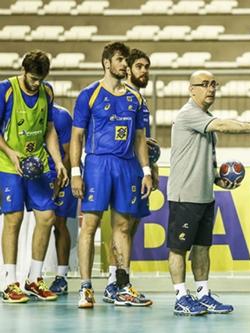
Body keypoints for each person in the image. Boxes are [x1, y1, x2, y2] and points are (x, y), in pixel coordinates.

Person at [167, 70, 250, 316]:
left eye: (214, 84)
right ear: (191, 89)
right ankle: (181, 296)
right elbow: (224, 125)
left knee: (202, 247)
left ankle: (203, 294)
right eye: (204, 84)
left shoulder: (205, 118)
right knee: (178, 248)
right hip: (185, 195)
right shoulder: (189, 114)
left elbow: (206, 160)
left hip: (205, 196)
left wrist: (218, 179)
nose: (210, 89)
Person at [70, 42, 153, 308]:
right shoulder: (89, 95)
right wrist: (75, 172)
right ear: (107, 63)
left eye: (125, 61)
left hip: (127, 166)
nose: (124, 65)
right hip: (97, 164)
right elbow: (77, 137)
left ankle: (121, 285)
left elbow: (140, 138)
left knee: (123, 227)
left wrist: (146, 171)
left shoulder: (135, 98)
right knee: (90, 225)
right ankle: (85, 288)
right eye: (120, 60)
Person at [0, 50, 68, 303]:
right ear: (23, 70)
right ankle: (9, 282)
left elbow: (49, 129)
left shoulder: (47, 91)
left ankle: (34, 279)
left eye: (40, 79)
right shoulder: (5, 91)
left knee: (47, 217)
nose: (36, 83)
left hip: (38, 164)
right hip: (9, 165)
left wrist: (59, 161)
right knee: (14, 219)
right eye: (32, 78)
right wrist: (11, 153)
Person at [103, 48, 158, 304]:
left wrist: (150, 167)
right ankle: (115, 283)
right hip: (124, 170)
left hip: (138, 171)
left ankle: (117, 280)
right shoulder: (122, 97)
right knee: (122, 227)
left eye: (147, 67)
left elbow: (141, 140)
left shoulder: (139, 100)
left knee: (130, 228)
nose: (143, 71)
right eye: (139, 66)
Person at [47, 104, 78, 295]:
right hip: (41, 174)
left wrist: (59, 180)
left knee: (59, 223)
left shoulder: (61, 116)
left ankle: (61, 276)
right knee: (41, 223)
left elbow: (69, 153)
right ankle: (33, 276)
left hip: (63, 173)